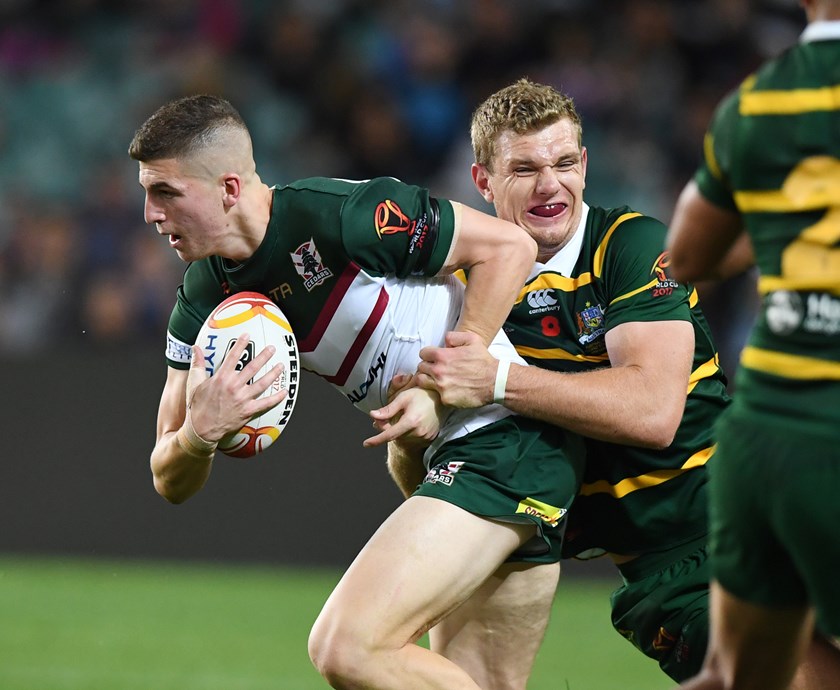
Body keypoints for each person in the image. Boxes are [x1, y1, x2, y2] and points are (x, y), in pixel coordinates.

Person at [370, 77, 840, 688]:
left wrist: (499, 380)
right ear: (483, 181)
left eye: (564, 162)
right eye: (525, 168)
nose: (550, 184)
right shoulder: (453, 302)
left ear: (585, 166)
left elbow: (653, 412)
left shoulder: (630, 246)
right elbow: (445, 491)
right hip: (665, 577)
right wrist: (415, 437)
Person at [128, 94, 585, 690]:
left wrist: (438, 387)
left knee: (346, 646)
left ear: (230, 189)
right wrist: (199, 434)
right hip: (458, 460)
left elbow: (510, 247)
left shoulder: (342, 215)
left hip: (507, 440)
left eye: (166, 192)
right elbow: (169, 477)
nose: (149, 213)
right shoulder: (202, 294)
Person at [666, 1, 840, 688]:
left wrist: (778, 229)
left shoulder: (756, 102)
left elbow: (687, 254)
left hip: (763, 439)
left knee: (738, 677)